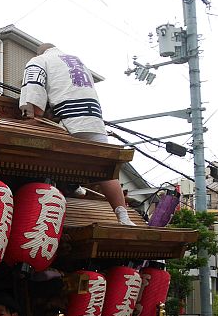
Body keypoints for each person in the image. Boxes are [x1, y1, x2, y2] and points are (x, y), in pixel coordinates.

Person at [19, 44, 135, 226]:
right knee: (106, 169)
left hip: (67, 118)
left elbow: (34, 93)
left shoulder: (40, 60)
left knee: (46, 156)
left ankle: (72, 185)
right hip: (94, 119)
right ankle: (123, 216)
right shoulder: (77, 62)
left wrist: (34, 115)